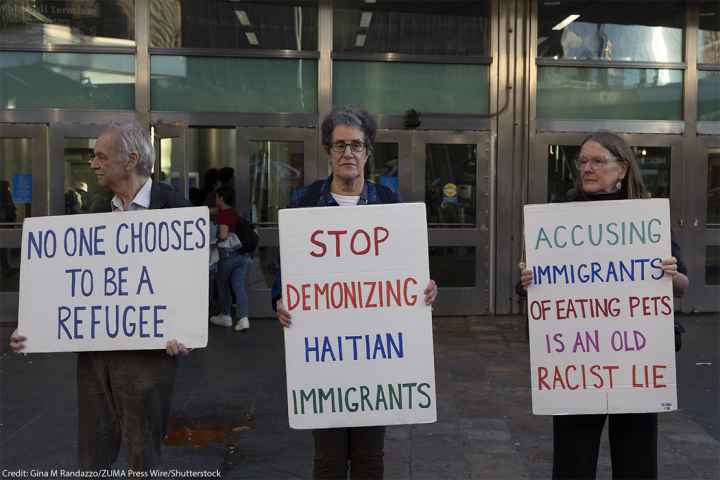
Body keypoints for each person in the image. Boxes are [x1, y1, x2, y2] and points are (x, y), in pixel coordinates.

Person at [10, 120, 192, 469]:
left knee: (143, 456)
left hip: (149, 358)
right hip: (96, 358)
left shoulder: (177, 210)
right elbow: (70, 283)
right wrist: (34, 327)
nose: (93, 163)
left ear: (131, 159)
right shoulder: (95, 210)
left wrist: (185, 329)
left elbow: (193, 281)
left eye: (100, 156)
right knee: (93, 456)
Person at [272, 106, 439, 479]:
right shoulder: (304, 203)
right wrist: (279, 298)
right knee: (327, 459)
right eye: (340, 146)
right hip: (324, 354)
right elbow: (287, 270)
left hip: (375, 355)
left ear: (368, 152)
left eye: (357, 146)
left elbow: (409, 269)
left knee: (369, 457)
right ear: (327, 151)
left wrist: (426, 288)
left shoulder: (389, 203)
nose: (348, 154)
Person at [519, 131, 689, 480]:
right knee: (573, 461)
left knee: (636, 461)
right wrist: (527, 279)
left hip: (636, 360)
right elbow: (528, 284)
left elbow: (683, 285)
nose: (587, 168)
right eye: (582, 161)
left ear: (622, 168)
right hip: (576, 361)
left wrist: (671, 275)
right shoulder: (559, 216)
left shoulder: (647, 219)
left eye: (598, 161)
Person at [210, 185, 252, 331]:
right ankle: (243, 318)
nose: (215, 199)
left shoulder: (224, 214)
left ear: (221, 198)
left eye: (216, 197)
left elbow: (223, 235)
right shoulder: (233, 212)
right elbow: (212, 211)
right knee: (238, 285)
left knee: (222, 285)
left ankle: (226, 316)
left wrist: (213, 241)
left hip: (228, 256)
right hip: (242, 255)